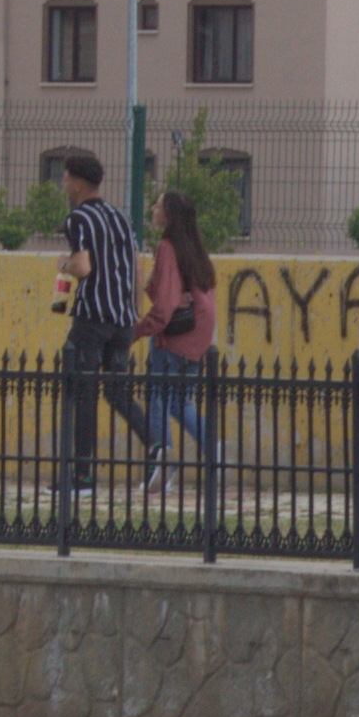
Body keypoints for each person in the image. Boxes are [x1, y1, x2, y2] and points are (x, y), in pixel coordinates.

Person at [51, 151, 154, 489]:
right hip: (122, 319)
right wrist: (131, 311)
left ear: (78, 183)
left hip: (92, 316)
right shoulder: (119, 217)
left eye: (66, 178)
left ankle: (81, 473)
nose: (63, 184)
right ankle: (155, 443)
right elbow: (138, 267)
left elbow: (83, 267)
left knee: (81, 389)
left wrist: (64, 265)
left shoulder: (78, 218)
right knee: (117, 389)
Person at [137, 189, 225, 469]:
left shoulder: (167, 248)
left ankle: (162, 466)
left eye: (158, 205)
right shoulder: (196, 250)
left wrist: (136, 330)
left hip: (173, 339)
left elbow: (164, 307)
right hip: (197, 340)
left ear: (169, 215)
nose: (153, 208)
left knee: (158, 401)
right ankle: (212, 444)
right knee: (179, 402)